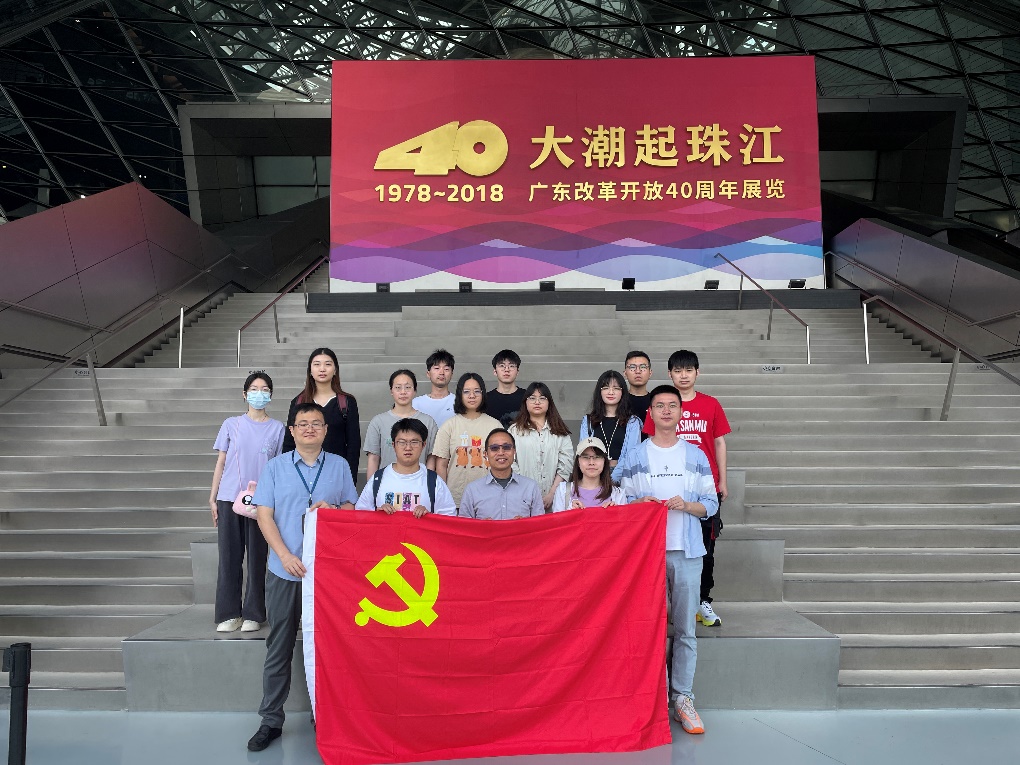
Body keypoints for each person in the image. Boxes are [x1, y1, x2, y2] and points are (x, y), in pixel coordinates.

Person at [248, 402, 358, 752]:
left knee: (327, 647)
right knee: (279, 645)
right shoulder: (275, 467)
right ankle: (270, 719)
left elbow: (351, 508)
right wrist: (284, 555)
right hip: (285, 570)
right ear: (292, 431)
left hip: (327, 574)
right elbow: (264, 515)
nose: (310, 428)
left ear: (325, 430)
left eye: (316, 423)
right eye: (303, 423)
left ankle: (324, 717)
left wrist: (335, 509)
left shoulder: (339, 465)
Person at [617, 385, 718, 736]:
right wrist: (638, 504)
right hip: (648, 555)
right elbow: (620, 499)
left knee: (686, 630)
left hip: (687, 552)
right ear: (650, 413)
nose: (665, 411)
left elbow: (711, 504)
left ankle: (683, 698)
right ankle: (654, 698)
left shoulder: (695, 455)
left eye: (672, 405)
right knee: (651, 629)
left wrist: (687, 505)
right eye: (659, 405)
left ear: (680, 413)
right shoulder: (635, 455)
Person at [641, 350, 731, 628]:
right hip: (668, 487)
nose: (683, 375)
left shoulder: (710, 404)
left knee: (705, 546)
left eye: (688, 370)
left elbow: (719, 442)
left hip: (702, 488)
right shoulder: (661, 405)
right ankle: (669, 604)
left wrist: (723, 480)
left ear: (697, 373)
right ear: (669, 374)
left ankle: (702, 600)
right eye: (678, 371)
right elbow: (649, 442)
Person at [208, 371, 286, 633]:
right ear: (244, 394)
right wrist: (212, 497)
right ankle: (229, 613)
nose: (259, 394)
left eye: (264, 389)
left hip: (261, 502)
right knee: (229, 557)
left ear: (271, 395)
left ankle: (254, 613)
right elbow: (221, 462)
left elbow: (277, 468)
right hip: (229, 497)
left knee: (257, 557)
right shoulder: (231, 424)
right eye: (254, 389)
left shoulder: (278, 428)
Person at [281, 347, 361, 478]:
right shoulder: (298, 402)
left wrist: (349, 477)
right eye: (317, 364)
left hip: (335, 472)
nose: (322, 369)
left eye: (327, 364)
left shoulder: (346, 402)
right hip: (303, 473)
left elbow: (353, 445)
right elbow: (289, 442)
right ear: (310, 370)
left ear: (335, 370)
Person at [356, 418, 456, 516]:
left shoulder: (434, 481)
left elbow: (449, 518)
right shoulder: (378, 479)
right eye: (402, 442)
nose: (408, 448)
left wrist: (429, 516)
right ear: (393, 445)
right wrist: (377, 513)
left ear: (423, 445)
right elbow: (360, 515)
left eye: (414, 442)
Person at [431, 372, 502, 508]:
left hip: (490, 499)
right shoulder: (449, 426)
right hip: (456, 499)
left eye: (477, 391)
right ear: (460, 395)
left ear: (483, 394)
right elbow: (441, 465)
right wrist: (444, 497)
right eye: (466, 391)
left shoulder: (495, 425)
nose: (472, 396)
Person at [508, 381, 573, 511]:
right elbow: (510, 462)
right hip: (521, 498)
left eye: (542, 398)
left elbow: (566, 465)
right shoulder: (514, 431)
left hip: (554, 500)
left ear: (549, 403)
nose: (537, 402)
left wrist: (552, 494)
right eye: (532, 398)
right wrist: (525, 490)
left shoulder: (560, 432)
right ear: (525, 402)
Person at [365, 369, 438, 478]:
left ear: (415, 390)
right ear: (391, 391)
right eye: (398, 388)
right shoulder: (378, 422)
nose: (403, 392)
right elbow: (373, 459)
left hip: (419, 482)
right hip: (387, 483)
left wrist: (428, 483)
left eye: (407, 387)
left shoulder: (428, 422)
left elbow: (431, 458)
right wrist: (372, 485)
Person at [459, 429, 544, 520]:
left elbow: (541, 524)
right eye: (494, 448)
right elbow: (463, 527)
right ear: (485, 454)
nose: (501, 453)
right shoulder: (472, 490)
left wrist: (524, 525)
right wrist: (481, 526)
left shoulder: (531, 487)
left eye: (506, 447)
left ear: (514, 452)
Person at [579, 370, 642, 481]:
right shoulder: (588, 421)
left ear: (622, 392)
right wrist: (599, 480)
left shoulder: (633, 422)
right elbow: (584, 453)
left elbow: (631, 455)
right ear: (599, 391)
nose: (611, 392)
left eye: (616, 388)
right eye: (606, 388)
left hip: (625, 477)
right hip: (594, 476)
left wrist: (612, 480)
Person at [551, 436, 626, 512]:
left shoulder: (617, 494)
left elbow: (625, 519)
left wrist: (616, 513)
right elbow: (557, 519)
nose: (591, 462)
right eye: (585, 457)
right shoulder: (563, 490)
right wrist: (570, 511)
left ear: (604, 461)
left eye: (597, 457)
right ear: (578, 461)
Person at [412, 348, 456, 427]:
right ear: (428, 374)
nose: (441, 373)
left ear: (451, 374)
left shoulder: (459, 402)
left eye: (446, 369)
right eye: (437, 368)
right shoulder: (416, 404)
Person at [486, 349, 526, 427]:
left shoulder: (527, 397)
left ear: (517, 372)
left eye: (511, 366)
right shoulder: (485, 399)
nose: (507, 370)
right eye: (502, 366)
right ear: (495, 371)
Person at [624, 350, 653, 426]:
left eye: (643, 367)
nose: (638, 371)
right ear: (625, 373)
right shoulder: (619, 401)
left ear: (650, 373)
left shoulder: (656, 401)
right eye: (632, 367)